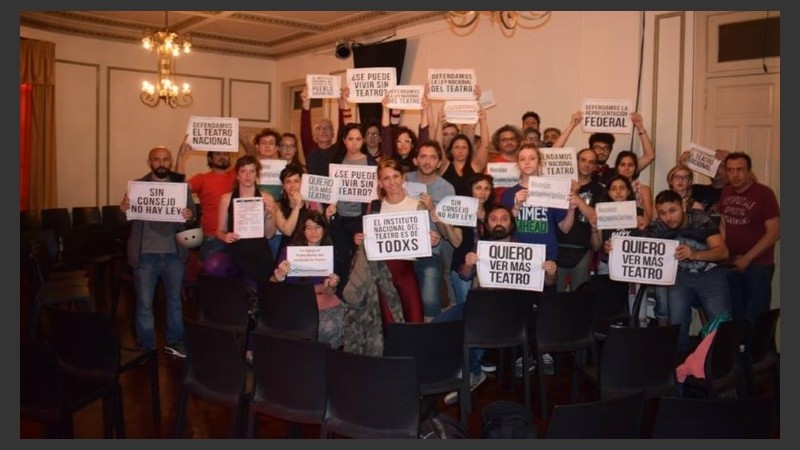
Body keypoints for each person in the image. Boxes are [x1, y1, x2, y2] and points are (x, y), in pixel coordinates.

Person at [439, 204, 558, 404]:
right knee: (440, 324)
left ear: (511, 223)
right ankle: (473, 371)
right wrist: (468, 264)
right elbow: (465, 275)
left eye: (504, 218)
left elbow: (548, 283)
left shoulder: (528, 250)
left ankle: (469, 371)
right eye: (493, 219)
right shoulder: (481, 248)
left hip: (512, 315)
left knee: (466, 328)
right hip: (480, 309)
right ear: (487, 225)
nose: (499, 223)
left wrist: (551, 272)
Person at [119, 146, 196, 357]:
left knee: (175, 302)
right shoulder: (137, 187)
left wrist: (189, 215)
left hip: (174, 255)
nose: (161, 163)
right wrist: (122, 210)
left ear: (170, 161)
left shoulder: (181, 188)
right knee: (144, 304)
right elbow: (123, 220)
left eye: (165, 159)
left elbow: (192, 218)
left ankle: (175, 342)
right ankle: (146, 346)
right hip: (145, 256)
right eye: (156, 159)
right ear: (149, 162)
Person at [642, 190, 732, 353]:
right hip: (681, 277)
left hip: (711, 274)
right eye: (662, 213)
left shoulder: (701, 220)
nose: (668, 217)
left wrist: (695, 254)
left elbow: (723, 252)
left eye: (673, 210)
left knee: (721, 323)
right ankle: (678, 362)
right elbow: (637, 247)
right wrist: (614, 247)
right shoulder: (658, 226)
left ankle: (722, 362)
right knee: (677, 325)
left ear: (683, 207)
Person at [353, 159, 433, 324]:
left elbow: (423, 240)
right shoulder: (375, 207)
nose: (392, 182)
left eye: (395, 176)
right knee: (388, 325)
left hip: (406, 272)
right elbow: (369, 239)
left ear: (403, 178)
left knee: (415, 321)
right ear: (380, 183)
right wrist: (360, 239)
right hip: (381, 273)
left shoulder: (418, 206)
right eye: (386, 178)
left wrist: (432, 240)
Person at [501, 143, 578, 289]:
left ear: (539, 163)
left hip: (547, 257)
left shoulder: (553, 190)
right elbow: (504, 229)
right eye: (522, 159)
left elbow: (565, 228)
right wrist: (517, 206)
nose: (527, 162)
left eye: (532, 158)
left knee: (546, 301)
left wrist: (571, 210)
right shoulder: (509, 193)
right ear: (518, 164)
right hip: (517, 257)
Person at [719, 152, 780, 325]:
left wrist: (747, 258)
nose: (735, 175)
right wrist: (723, 253)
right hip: (731, 264)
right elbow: (723, 223)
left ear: (749, 170)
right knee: (735, 318)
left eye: (740, 170)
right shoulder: (726, 192)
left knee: (756, 318)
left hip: (758, 266)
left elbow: (774, 232)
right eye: (730, 170)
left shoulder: (764, 193)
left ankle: (757, 345)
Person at [270, 210, 344, 349]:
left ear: (324, 230)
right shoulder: (289, 251)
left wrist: (331, 284)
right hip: (294, 301)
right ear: (303, 230)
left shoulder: (329, 253)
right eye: (308, 228)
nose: (313, 232)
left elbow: (329, 292)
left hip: (321, 301)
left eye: (317, 227)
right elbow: (272, 285)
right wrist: (279, 275)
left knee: (334, 324)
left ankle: (320, 356)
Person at [406, 140, 456, 320]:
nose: (427, 161)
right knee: (403, 302)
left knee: (429, 300)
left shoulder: (447, 188)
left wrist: (432, 209)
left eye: (433, 157)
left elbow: (447, 233)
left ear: (439, 163)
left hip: (431, 251)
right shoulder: (403, 180)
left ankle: (431, 334)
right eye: (423, 156)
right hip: (402, 251)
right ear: (415, 160)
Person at [328, 123, 379, 297]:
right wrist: (330, 206)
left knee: (359, 262)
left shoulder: (370, 163)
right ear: (344, 140)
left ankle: (358, 298)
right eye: (350, 139)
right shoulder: (336, 162)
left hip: (360, 219)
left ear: (363, 140)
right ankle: (340, 296)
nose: (354, 143)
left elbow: (376, 195)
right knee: (341, 260)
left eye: (358, 139)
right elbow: (329, 189)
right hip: (340, 219)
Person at [215, 155, 277, 286]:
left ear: (257, 175)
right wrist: (225, 236)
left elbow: (270, 234)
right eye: (243, 171)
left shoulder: (267, 199)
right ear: (237, 175)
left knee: (262, 292)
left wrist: (268, 215)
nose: (247, 175)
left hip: (259, 253)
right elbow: (220, 231)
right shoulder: (226, 199)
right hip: (236, 252)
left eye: (252, 171)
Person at [553, 111, 655, 187]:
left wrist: (640, 127)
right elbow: (552, 154)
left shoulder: (618, 172)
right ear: (590, 149)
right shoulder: (579, 169)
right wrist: (571, 126)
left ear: (610, 151)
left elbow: (649, 156)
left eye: (606, 148)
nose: (602, 151)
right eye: (597, 147)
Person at [555, 148, 604, 292]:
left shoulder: (599, 189)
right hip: (557, 246)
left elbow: (595, 217)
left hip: (582, 249)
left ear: (595, 167)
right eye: (583, 160)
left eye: (591, 162)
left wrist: (576, 196)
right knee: (555, 297)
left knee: (579, 296)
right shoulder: (560, 184)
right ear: (575, 162)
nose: (586, 165)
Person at [300, 86, 353, 176]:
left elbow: (344, 130)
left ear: (333, 134)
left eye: (328, 128)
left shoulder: (338, 150)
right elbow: (305, 130)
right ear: (316, 133)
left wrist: (341, 106)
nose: (324, 131)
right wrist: (306, 103)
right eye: (320, 128)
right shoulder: (310, 149)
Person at [613, 150, 654, 224]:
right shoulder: (610, 188)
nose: (626, 168)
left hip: (638, 228)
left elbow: (648, 219)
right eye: (623, 165)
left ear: (635, 168)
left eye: (630, 165)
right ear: (617, 168)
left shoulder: (644, 190)